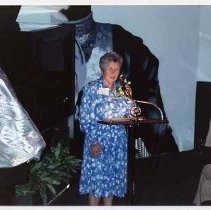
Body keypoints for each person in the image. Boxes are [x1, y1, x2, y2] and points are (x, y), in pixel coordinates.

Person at [51, 5, 179, 154]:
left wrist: (171, 162)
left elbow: (152, 116)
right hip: (51, 163)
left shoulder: (125, 45)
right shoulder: (33, 46)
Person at [79, 52, 135, 205]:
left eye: (116, 69)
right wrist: (95, 141)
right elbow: (85, 118)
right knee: (97, 182)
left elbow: (131, 111)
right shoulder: (92, 88)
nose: (113, 72)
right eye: (110, 68)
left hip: (117, 142)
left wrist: (130, 99)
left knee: (111, 182)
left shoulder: (120, 90)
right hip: (98, 141)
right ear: (102, 69)